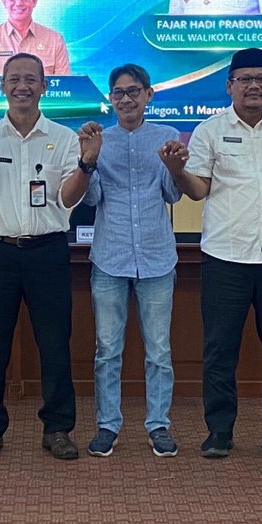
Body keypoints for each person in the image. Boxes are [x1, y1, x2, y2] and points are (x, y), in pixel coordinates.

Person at [163, 47, 262, 460]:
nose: (254, 86)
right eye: (245, 79)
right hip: (226, 258)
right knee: (220, 352)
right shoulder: (210, 131)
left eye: (261, 79)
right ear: (229, 85)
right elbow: (198, 189)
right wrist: (177, 171)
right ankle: (219, 432)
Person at [0, 52, 100, 462]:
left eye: (31, 79)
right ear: (1, 85)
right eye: (14, 79)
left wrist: (86, 164)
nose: (22, 86)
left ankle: (58, 428)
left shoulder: (65, 139)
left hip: (47, 252)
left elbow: (68, 200)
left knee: (54, 344)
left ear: (44, 86)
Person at [81, 64, 181, 458]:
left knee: (160, 351)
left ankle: (159, 425)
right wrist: (89, 159)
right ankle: (108, 425)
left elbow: (173, 194)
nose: (126, 99)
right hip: (110, 256)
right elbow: (91, 199)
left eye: (133, 91)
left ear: (148, 94)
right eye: (119, 93)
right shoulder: (99, 140)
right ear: (111, 99)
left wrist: (175, 166)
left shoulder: (167, 136)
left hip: (156, 258)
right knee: (107, 350)